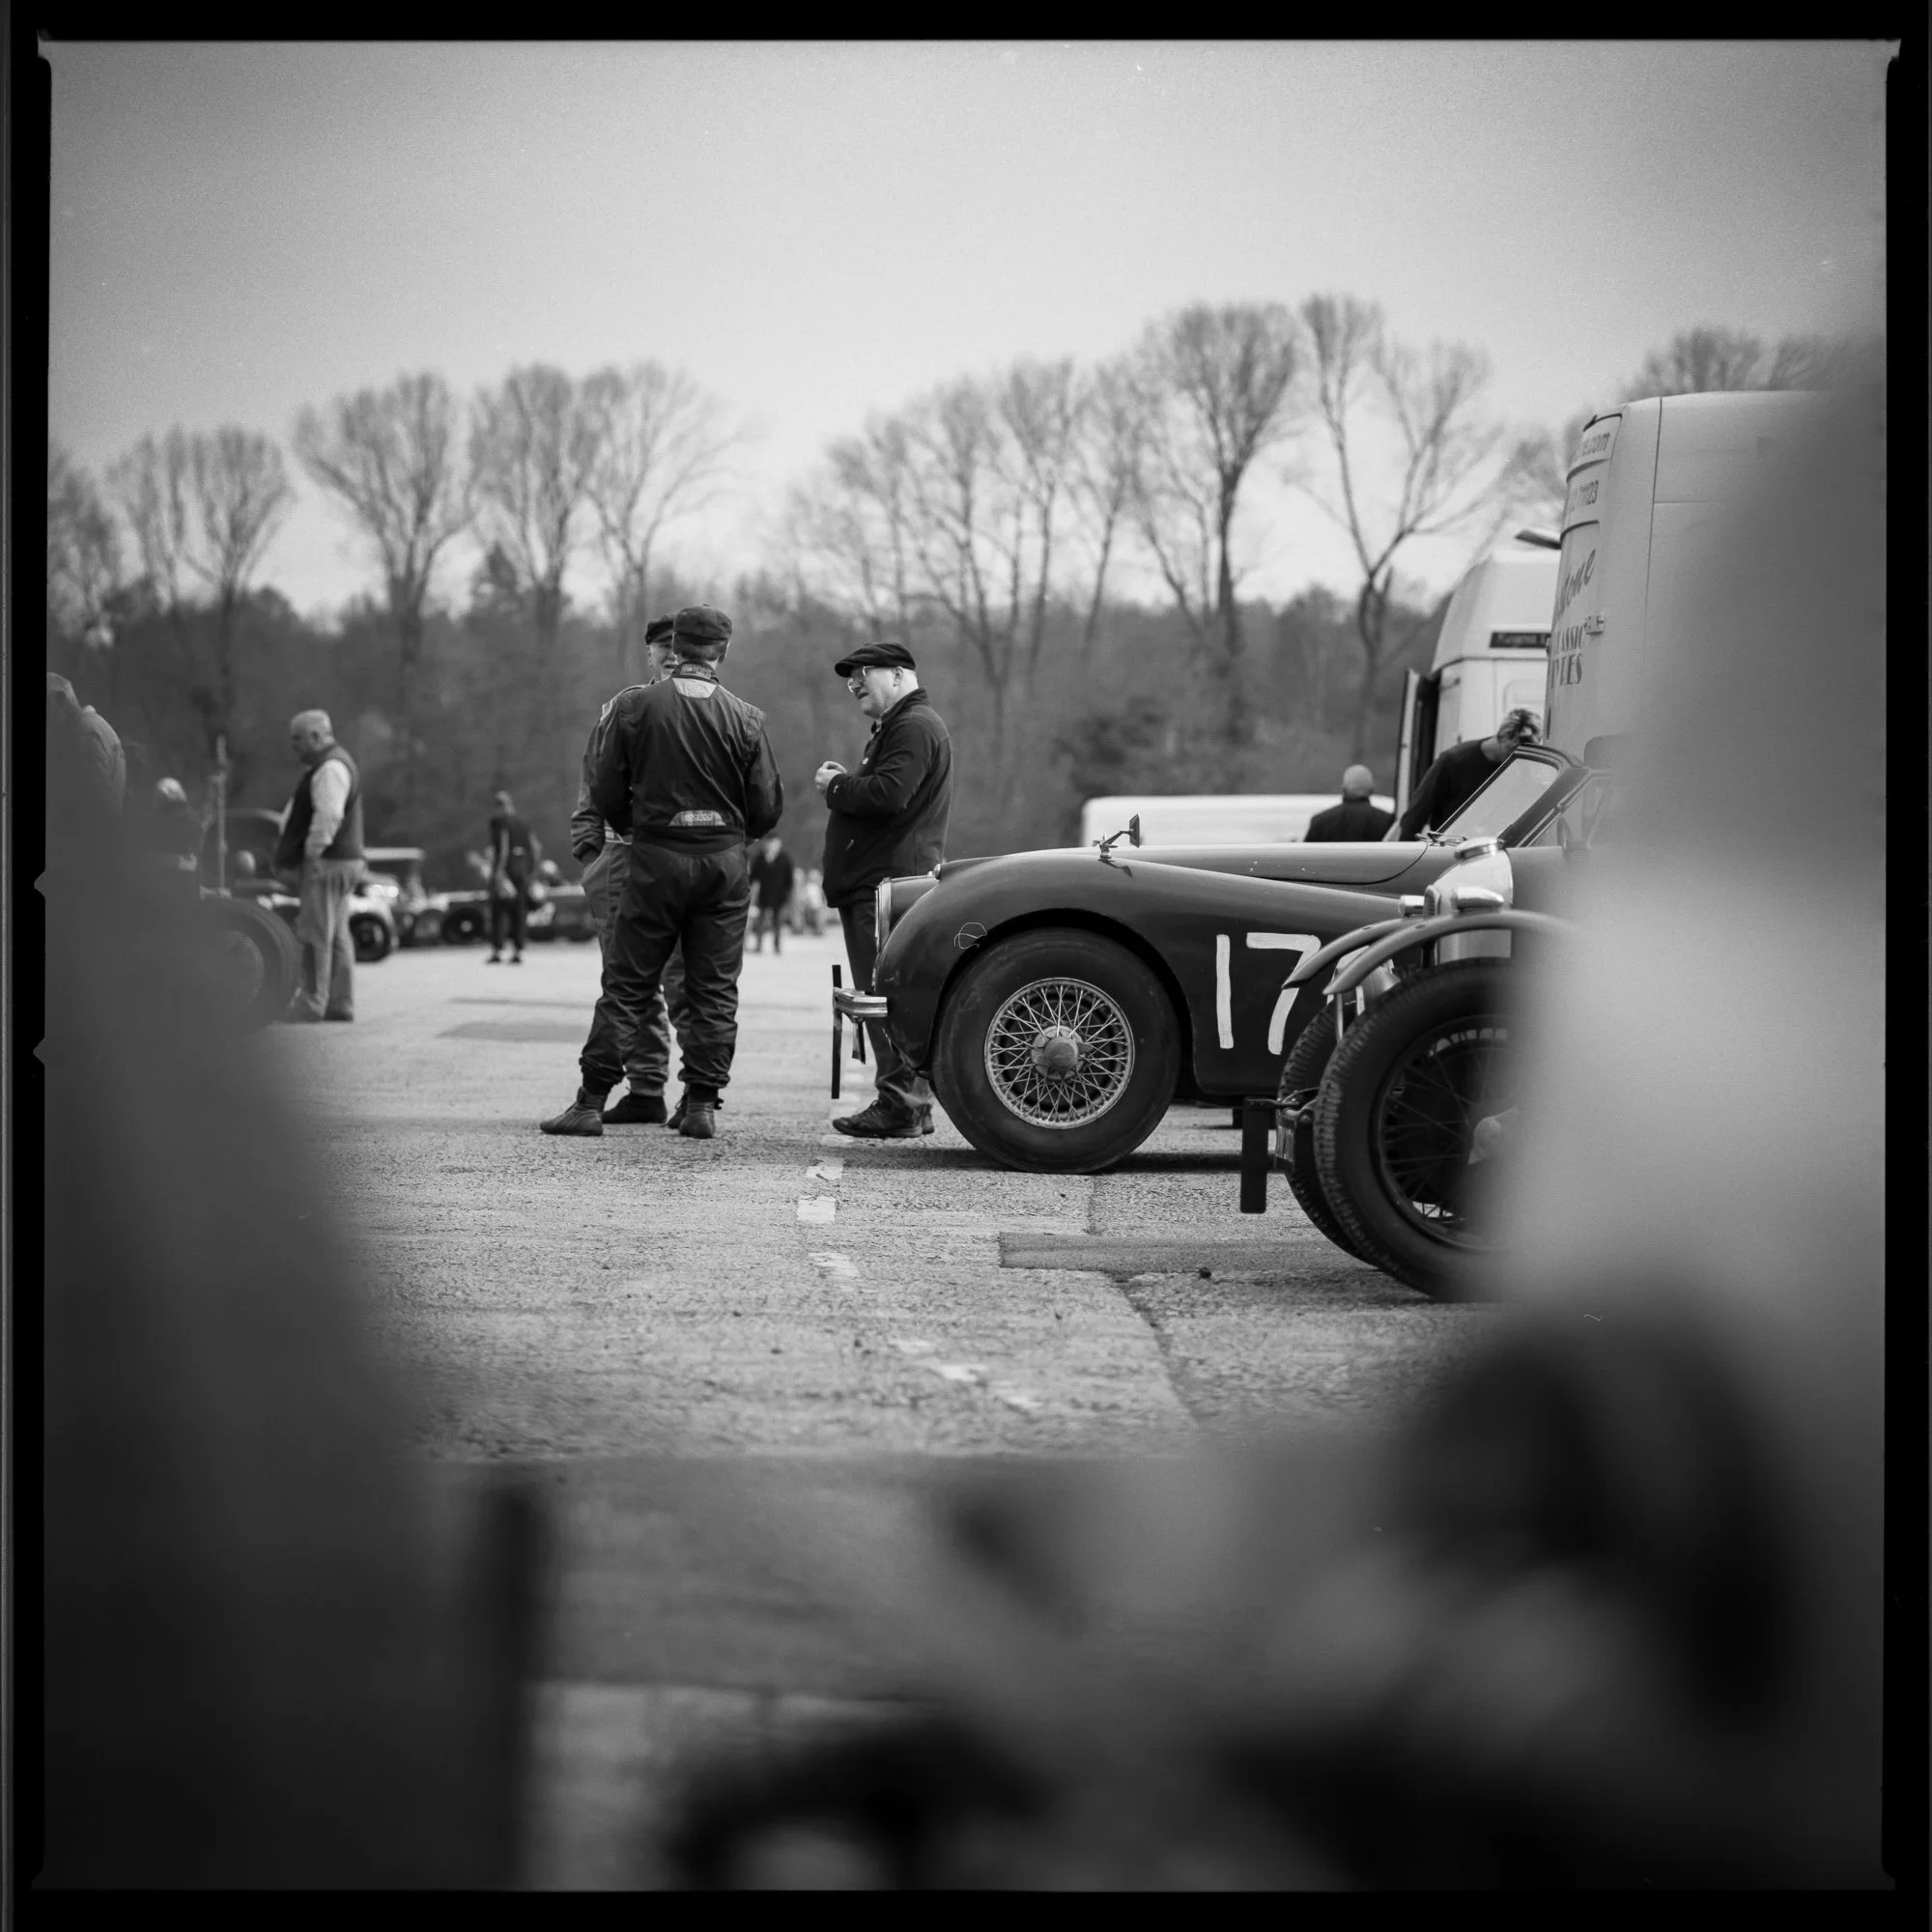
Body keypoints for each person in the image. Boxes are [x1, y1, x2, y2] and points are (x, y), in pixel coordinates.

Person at [542, 605, 783, 1142]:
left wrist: (641, 828)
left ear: (676, 644)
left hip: (654, 858)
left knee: (628, 983)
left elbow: (604, 791)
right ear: (723, 652)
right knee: (714, 989)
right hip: (723, 864)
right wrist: (729, 836)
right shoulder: (746, 717)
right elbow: (766, 806)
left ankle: (589, 1103)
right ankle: (701, 1104)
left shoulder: (634, 707)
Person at [558, 614, 695, 1129]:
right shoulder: (622, 707)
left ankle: (697, 1092)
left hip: (682, 861)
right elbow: (592, 780)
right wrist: (590, 851)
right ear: (649, 653)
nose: (671, 655)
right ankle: (645, 1087)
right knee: (627, 980)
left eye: (680, 647)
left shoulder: (714, 711)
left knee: (683, 977)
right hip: (619, 860)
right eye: (663, 646)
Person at [815, 640, 952, 1139]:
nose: (853, 682)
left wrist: (836, 786)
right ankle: (909, 1104)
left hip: (886, 889)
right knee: (888, 996)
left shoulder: (913, 726)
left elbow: (889, 795)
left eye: (863, 672)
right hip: (883, 884)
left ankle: (900, 1104)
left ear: (897, 675)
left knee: (884, 997)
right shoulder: (907, 725)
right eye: (849, 675)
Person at [273, 709, 363, 1023]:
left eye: (297, 739)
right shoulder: (335, 764)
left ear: (316, 736)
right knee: (337, 936)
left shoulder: (329, 768)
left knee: (313, 935)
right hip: (343, 861)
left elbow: (329, 816)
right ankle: (340, 1002)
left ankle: (311, 1003)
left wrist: (311, 853)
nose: (294, 746)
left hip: (328, 862)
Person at [1397, 707, 1542, 840]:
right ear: (1503, 739)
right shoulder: (1453, 760)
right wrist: (1402, 857)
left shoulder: (1522, 767)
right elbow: (1417, 812)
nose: (1517, 760)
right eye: (1513, 752)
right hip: (1449, 851)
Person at [486, 789, 541, 964]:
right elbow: (536, 848)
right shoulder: (523, 823)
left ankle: (498, 950)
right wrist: (533, 873)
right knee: (519, 911)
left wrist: (499, 873)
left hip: (507, 870)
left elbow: (503, 847)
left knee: (499, 911)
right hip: (523, 870)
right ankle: (518, 951)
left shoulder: (499, 822)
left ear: (498, 806)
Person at [1303, 765, 1394, 843]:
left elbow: (1305, 858)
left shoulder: (1320, 822)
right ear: (1371, 788)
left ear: (1343, 788)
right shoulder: (1388, 822)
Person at [746, 834, 795, 954]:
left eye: (774, 843)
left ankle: (777, 946)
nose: (771, 845)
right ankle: (759, 945)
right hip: (764, 894)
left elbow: (789, 879)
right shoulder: (760, 858)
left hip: (779, 895)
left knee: (777, 922)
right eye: (769, 843)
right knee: (760, 921)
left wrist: (788, 893)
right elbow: (753, 877)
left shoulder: (784, 858)